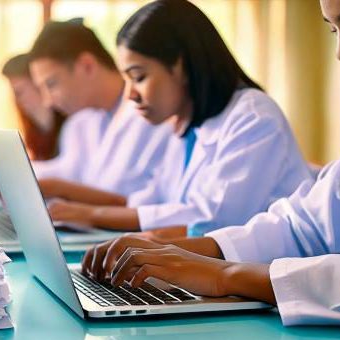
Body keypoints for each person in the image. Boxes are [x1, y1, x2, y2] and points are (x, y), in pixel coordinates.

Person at [88, 0, 340, 340]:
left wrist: (225, 274)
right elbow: (306, 225)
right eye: (334, 30)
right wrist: (178, 254)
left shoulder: (252, 115)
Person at [46, 0, 312, 237]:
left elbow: (211, 222)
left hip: (264, 280)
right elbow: (152, 202)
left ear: (181, 65)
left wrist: (93, 215)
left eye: (139, 77)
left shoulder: (253, 118)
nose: (130, 95)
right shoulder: (187, 124)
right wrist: (77, 211)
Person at [27, 19, 171, 205]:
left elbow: (150, 203)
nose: (47, 101)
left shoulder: (152, 113)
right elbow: (69, 170)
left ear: (87, 66)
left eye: (51, 84)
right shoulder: (85, 121)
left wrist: (64, 192)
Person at [0, 53, 65, 198]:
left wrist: (9, 171)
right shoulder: (36, 131)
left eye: (20, 92)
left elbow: (66, 171)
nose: (18, 101)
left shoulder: (74, 125)